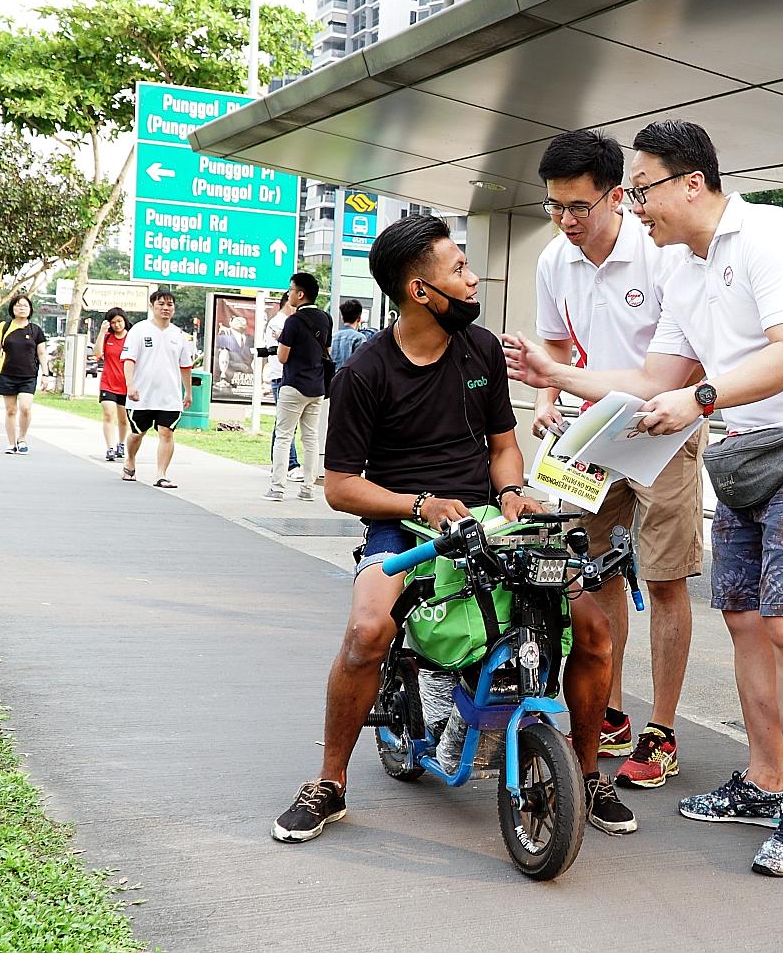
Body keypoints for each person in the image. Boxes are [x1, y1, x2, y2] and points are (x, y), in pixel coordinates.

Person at [505, 120, 783, 876]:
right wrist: (559, 377)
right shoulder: (682, 266)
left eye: (641, 191)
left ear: (692, 184)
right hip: (743, 453)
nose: (635, 207)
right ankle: (765, 778)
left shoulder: (772, 235)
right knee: (742, 617)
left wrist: (702, 398)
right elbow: (650, 380)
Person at [271, 213, 633, 843]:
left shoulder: (482, 348)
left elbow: (502, 447)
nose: (471, 281)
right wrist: (420, 505)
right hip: (403, 525)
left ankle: (588, 774)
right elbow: (338, 486)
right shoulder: (363, 374)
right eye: (459, 270)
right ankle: (330, 782)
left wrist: (514, 493)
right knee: (365, 631)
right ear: (420, 292)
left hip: (490, 521)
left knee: (594, 630)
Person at [532, 129, 700, 789]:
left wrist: (685, 407)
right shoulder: (553, 261)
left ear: (617, 197)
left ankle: (660, 732)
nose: (567, 221)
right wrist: (548, 395)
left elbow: (692, 356)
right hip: (591, 432)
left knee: (663, 578)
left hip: (665, 429)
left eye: (579, 206)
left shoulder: (662, 256)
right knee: (591, 571)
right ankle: (609, 711)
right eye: (555, 207)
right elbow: (555, 346)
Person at [263, 272, 331, 503]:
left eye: (291, 289)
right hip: (317, 386)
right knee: (310, 438)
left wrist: (283, 339)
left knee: (283, 435)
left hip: (293, 385)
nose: (289, 293)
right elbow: (326, 352)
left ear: (300, 294)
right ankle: (308, 489)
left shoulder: (292, 321)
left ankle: (277, 488)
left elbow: (282, 357)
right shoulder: (325, 318)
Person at [120, 290, 194, 489]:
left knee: (166, 432)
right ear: (152, 306)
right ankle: (130, 460)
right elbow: (128, 360)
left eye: (169, 305)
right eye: (161, 304)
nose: (165, 308)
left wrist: (188, 392)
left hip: (169, 396)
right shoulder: (139, 330)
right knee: (137, 433)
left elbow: (185, 366)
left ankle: (161, 474)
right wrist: (130, 385)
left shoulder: (178, 335)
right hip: (142, 395)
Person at [255, 292, 301, 477]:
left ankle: (279, 463)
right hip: (282, 377)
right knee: (286, 424)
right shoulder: (280, 323)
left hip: (283, 376)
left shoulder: (283, 323)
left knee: (283, 423)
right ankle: (289, 465)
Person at [0, 296, 47, 455]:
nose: (21, 308)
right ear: (12, 308)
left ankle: (22, 438)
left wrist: (46, 373)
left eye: (25, 305)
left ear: (30, 309)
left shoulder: (36, 330)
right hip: (7, 373)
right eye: (18, 305)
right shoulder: (4, 327)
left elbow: (42, 353)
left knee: (25, 407)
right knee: (10, 410)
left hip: (29, 375)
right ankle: (11, 443)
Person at [94, 308, 131, 461]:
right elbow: (97, 353)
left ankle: (121, 444)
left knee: (124, 419)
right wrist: (102, 333)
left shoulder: (132, 338)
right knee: (109, 414)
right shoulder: (107, 337)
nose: (117, 325)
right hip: (108, 383)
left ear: (125, 320)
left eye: (119, 321)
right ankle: (110, 447)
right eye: (113, 322)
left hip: (126, 384)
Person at [330, 299, 375, 372]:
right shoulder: (359, 338)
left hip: (333, 380)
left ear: (342, 318)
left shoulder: (333, 337)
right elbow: (361, 365)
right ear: (359, 319)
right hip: (349, 380)